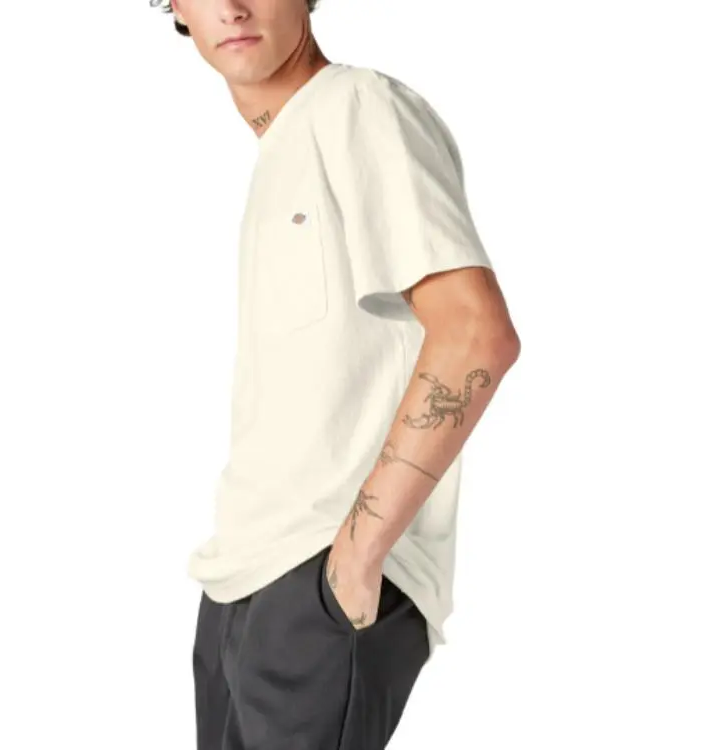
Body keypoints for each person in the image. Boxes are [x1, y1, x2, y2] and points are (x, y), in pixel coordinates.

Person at [153, 1, 521, 747]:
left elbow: (474, 333)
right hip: (239, 581)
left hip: (318, 580)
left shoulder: (356, 107)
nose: (232, 7)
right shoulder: (284, 148)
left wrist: (354, 558)